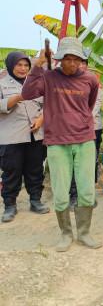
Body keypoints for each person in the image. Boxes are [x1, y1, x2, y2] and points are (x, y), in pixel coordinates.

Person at [22, 37, 102, 251]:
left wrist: (79, 120)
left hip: (85, 139)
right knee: (60, 191)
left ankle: (84, 233)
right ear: (59, 59)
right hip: (57, 141)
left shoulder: (90, 79)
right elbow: (27, 93)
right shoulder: (48, 77)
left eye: (76, 59)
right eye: (67, 59)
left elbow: (89, 104)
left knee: (86, 190)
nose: (72, 63)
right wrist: (38, 65)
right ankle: (66, 234)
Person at [0, 52, 49, 222]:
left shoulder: (36, 81)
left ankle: (35, 200)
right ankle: (10, 205)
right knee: (11, 171)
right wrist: (20, 96)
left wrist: (41, 119)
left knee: (35, 170)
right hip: (11, 136)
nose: (23, 69)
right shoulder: (2, 83)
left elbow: (47, 103)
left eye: (26, 65)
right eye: (19, 65)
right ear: (11, 65)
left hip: (35, 135)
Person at [69, 58, 103, 209]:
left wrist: (81, 120)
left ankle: (88, 194)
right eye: (78, 63)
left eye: (84, 63)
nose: (81, 66)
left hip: (91, 128)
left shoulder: (94, 83)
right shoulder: (65, 83)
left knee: (89, 162)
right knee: (72, 162)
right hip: (70, 130)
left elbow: (95, 106)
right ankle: (74, 195)